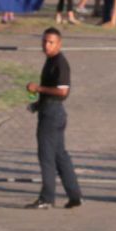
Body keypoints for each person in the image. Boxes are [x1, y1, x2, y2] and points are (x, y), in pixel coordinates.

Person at [27, 26, 82, 210]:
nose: (46, 45)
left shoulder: (60, 62)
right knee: (60, 156)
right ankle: (75, 196)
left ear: (59, 44)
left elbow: (62, 91)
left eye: (50, 42)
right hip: (50, 110)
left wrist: (38, 89)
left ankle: (47, 197)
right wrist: (37, 104)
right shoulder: (50, 61)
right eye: (44, 41)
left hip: (53, 114)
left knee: (47, 156)